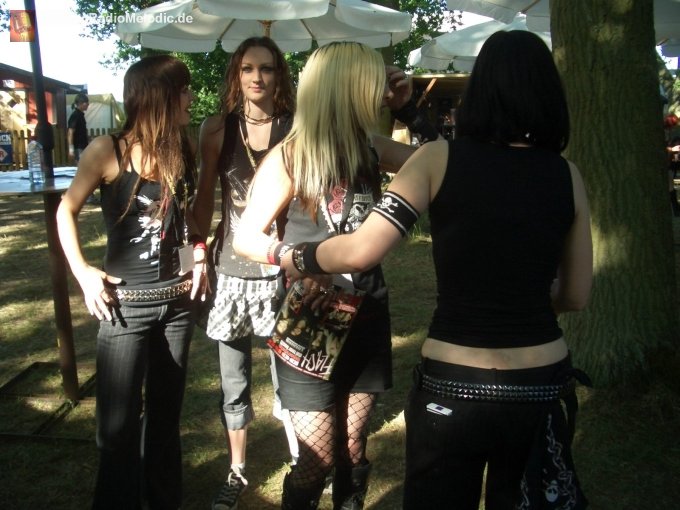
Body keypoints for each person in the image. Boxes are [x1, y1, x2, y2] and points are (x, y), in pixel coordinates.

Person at [278, 31, 593, 510]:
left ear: (479, 90)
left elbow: (361, 251)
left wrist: (294, 257)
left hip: (454, 384)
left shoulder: (438, 160)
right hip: (540, 381)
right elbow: (575, 294)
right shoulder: (567, 175)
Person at [233, 41, 429, 510]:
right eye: (372, 79)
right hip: (311, 321)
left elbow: (443, 165)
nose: (381, 88)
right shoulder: (290, 156)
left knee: (353, 449)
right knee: (316, 458)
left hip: (367, 313)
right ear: (346, 86)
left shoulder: (370, 148)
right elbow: (245, 238)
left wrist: (410, 111)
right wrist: (301, 259)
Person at [56, 55, 204, 510]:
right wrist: (83, 272)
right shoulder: (108, 151)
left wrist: (196, 255)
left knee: (164, 419)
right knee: (116, 428)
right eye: (183, 90)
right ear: (160, 96)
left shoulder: (184, 147)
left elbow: (183, 222)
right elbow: (66, 210)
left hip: (177, 305)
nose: (191, 97)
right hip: (124, 308)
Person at [189, 36, 298, 510]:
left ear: (279, 75)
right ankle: (236, 472)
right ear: (236, 74)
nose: (257, 77)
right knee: (233, 382)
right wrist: (197, 249)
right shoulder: (217, 129)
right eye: (248, 68)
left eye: (267, 68)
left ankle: (303, 461)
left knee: (291, 377)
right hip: (231, 270)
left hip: (282, 268)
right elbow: (203, 197)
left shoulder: (297, 127)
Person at [68, 92, 89, 163]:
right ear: (83, 103)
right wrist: (71, 149)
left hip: (83, 147)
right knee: (82, 166)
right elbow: (70, 133)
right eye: (87, 103)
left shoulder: (81, 115)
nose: (88, 105)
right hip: (79, 148)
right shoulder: (75, 116)